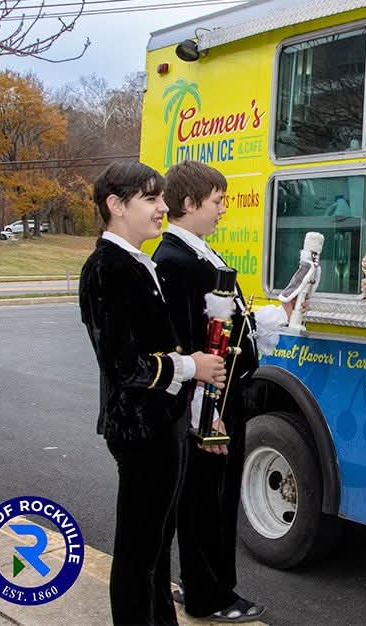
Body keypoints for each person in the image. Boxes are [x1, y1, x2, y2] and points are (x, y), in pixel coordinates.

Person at [79, 161, 227, 625]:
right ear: (115, 205)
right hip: (140, 428)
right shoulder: (108, 268)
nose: (163, 207)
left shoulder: (136, 263)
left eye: (161, 197)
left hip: (162, 423)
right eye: (150, 198)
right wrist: (191, 366)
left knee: (155, 548)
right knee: (140, 553)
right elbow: (125, 367)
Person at [153, 161, 291, 623]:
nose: (223, 210)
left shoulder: (198, 256)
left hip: (221, 397)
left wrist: (273, 318)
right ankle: (207, 594)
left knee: (215, 497)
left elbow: (230, 326)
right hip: (208, 402)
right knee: (205, 501)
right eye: (217, 201)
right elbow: (184, 341)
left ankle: (208, 584)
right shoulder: (174, 262)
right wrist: (202, 413)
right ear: (189, 204)